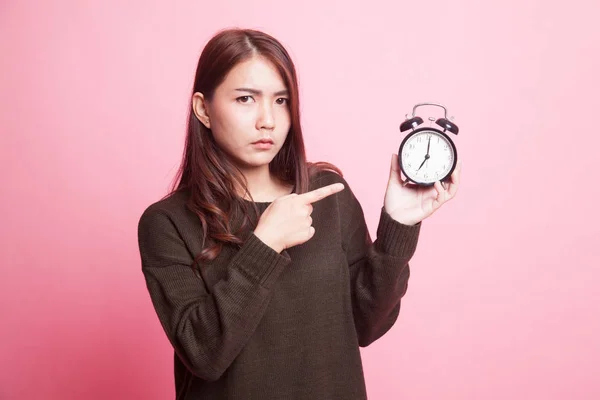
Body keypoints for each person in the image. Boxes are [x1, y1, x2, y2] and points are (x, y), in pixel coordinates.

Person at [137, 28, 461, 400]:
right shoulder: (167, 222)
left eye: (281, 100)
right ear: (203, 109)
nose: (268, 121)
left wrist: (398, 227)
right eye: (246, 99)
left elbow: (368, 325)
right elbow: (204, 355)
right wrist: (265, 244)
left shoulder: (326, 194)